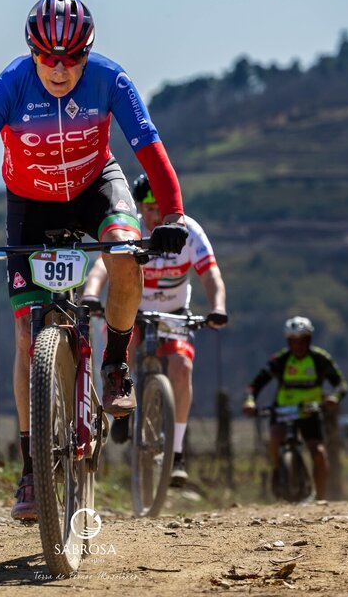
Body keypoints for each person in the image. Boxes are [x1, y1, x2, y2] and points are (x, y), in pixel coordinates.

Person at [0, 0, 189, 521]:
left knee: (125, 255)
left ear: (87, 53)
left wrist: (174, 216)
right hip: (30, 204)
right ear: (32, 52)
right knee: (28, 336)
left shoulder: (110, 79)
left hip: (97, 186)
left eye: (72, 57)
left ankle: (115, 364)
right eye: (47, 57)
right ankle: (32, 470)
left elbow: (150, 150)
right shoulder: (10, 85)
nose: (59, 68)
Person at [82, 174, 227, 487]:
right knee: (123, 347)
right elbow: (101, 269)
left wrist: (218, 307)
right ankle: (122, 407)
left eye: (161, 208)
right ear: (139, 207)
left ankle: (177, 453)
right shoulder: (129, 227)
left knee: (182, 367)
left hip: (173, 314)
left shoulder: (188, 230)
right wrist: (91, 295)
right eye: (149, 209)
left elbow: (211, 275)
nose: (156, 216)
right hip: (133, 312)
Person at [241, 316, 347, 502]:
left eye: (302, 341)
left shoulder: (320, 359)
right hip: (283, 410)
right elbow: (255, 385)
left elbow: (340, 384)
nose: (298, 346)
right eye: (293, 341)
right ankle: (277, 471)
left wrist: (334, 398)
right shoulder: (280, 360)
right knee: (275, 439)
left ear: (309, 340)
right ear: (288, 342)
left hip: (310, 412)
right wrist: (250, 401)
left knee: (319, 453)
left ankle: (320, 498)